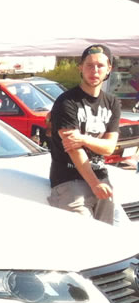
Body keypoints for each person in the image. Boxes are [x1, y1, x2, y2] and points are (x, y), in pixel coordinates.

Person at [46, 44, 123, 225]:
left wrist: (84, 139)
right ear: (80, 67)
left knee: (106, 237)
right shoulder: (66, 102)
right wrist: (94, 184)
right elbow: (73, 149)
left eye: (100, 65)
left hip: (102, 179)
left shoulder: (112, 103)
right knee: (81, 237)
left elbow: (109, 147)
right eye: (89, 65)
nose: (94, 70)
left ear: (109, 69)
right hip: (69, 183)